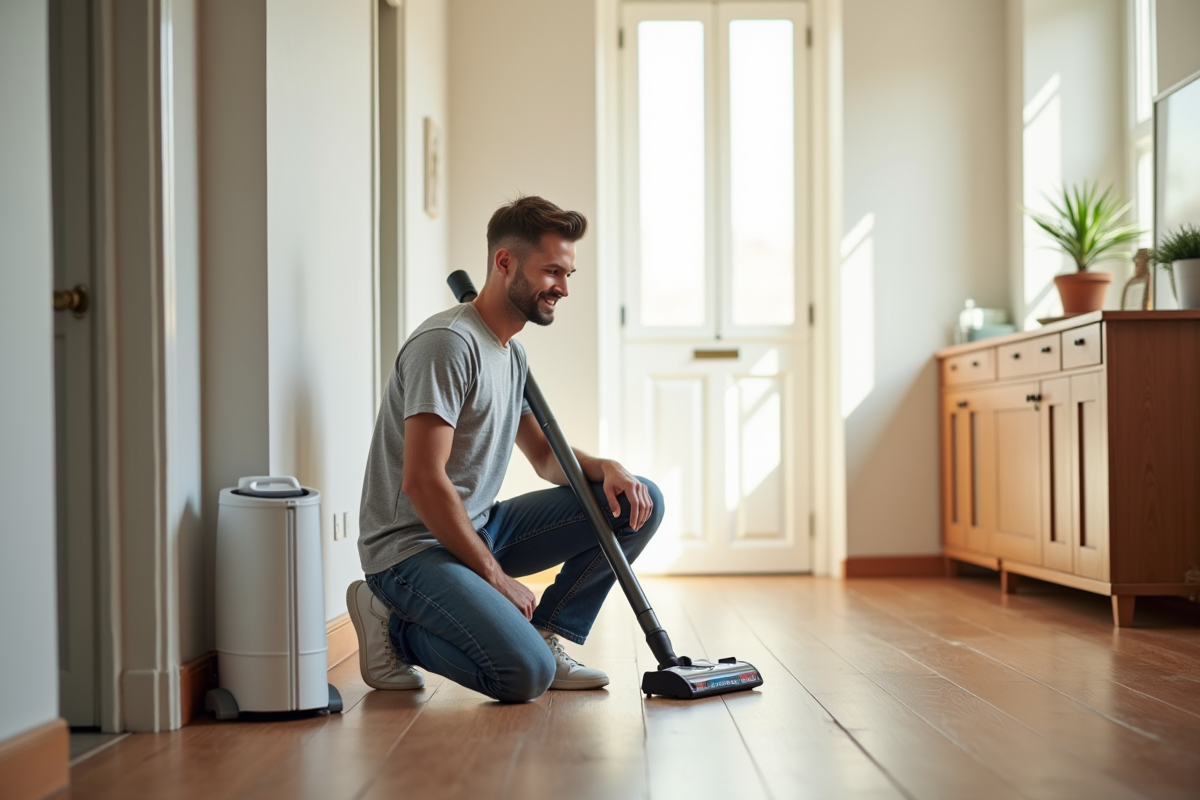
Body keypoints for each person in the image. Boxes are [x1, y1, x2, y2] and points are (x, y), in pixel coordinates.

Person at [347, 195, 664, 703]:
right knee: (523, 675)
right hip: (412, 549)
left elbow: (543, 457)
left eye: (568, 274)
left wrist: (609, 468)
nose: (562, 287)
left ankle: (547, 629)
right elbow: (423, 482)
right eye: (552, 272)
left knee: (639, 502)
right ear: (504, 263)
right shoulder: (447, 344)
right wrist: (497, 580)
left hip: (480, 527)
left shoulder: (510, 352)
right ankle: (392, 627)